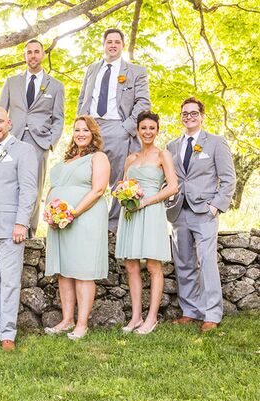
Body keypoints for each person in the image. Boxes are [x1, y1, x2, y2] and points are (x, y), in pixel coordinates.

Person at [166, 97, 236, 332]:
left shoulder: (216, 143)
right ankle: (190, 310)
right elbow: (169, 179)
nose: (189, 117)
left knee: (207, 263)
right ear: (181, 117)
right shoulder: (172, 146)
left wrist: (215, 206)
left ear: (202, 116)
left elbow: (228, 179)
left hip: (204, 211)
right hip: (178, 212)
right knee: (184, 263)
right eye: (185, 114)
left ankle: (212, 313)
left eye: (193, 113)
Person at [43, 116, 110, 340]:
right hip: (60, 220)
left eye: (85, 130)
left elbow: (98, 190)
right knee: (64, 270)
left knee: (82, 270)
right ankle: (66, 319)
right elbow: (54, 187)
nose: (81, 133)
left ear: (93, 133)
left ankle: (82, 324)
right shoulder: (68, 158)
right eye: (77, 130)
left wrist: (73, 212)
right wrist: (50, 211)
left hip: (85, 218)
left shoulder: (98, 157)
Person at [77, 28, 150, 232]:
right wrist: (81, 124)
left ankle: (114, 224)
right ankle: (86, 219)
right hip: (90, 127)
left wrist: (125, 128)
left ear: (122, 45)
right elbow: (83, 98)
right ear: (103, 44)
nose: (113, 45)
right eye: (109, 41)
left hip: (117, 126)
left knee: (119, 177)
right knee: (86, 174)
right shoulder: (92, 69)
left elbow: (143, 103)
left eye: (117, 42)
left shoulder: (135, 71)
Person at [0, 107, 38, 351]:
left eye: (0, 121)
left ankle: (8, 335)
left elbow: (29, 189)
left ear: (9, 123)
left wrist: (22, 222)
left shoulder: (23, 150)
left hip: (12, 227)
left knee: (10, 281)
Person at [115, 111, 178, 335]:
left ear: (157, 130)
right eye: (143, 128)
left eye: (152, 128)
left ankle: (151, 318)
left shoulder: (163, 155)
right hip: (131, 213)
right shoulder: (131, 158)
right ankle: (135, 317)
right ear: (138, 131)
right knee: (131, 265)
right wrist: (122, 194)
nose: (147, 132)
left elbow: (172, 187)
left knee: (153, 266)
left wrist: (147, 202)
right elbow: (123, 185)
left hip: (151, 211)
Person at [0, 39, 65, 234]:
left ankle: (29, 231)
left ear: (43, 55)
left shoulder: (56, 85)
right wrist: (1, 139)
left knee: (34, 187)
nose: (33, 55)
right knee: (10, 184)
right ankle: (9, 226)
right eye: (29, 52)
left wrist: (50, 143)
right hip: (12, 140)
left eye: (37, 52)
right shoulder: (11, 82)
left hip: (39, 143)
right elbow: (1, 111)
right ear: (24, 56)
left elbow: (59, 118)